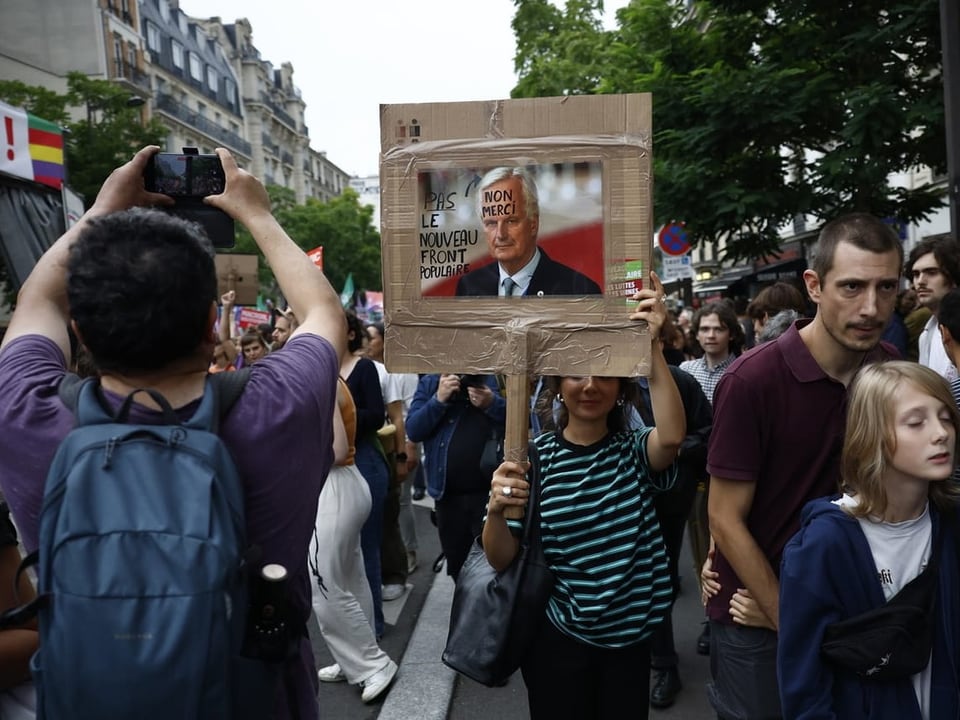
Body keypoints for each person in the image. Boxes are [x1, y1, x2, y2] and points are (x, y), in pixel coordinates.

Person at [0, 146, 347, 720]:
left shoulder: (28, 414)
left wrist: (101, 210)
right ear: (214, 325)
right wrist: (256, 213)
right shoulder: (277, 407)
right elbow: (323, 314)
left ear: (81, 331)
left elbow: (37, 301)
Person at [704, 213, 902, 720]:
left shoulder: (889, 369)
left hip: (855, 614)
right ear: (813, 285)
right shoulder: (753, 381)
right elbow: (724, 516)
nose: (871, 307)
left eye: (886, 287)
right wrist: (790, 615)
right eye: (852, 287)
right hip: (760, 618)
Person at [482, 271, 685, 720]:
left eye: (603, 374)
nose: (589, 384)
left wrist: (651, 344)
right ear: (556, 386)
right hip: (557, 639)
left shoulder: (634, 451)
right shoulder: (534, 460)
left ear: (619, 389)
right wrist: (496, 511)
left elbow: (670, 440)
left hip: (630, 641)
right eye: (575, 372)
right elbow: (501, 558)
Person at [778, 362, 960, 720]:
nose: (941, 433)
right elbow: (804, 684)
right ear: (872, 435)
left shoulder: (949, 524)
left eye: (946, 417)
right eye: (915, 422)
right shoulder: (823, 545)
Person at [310, 378, 398, 704]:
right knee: (347, 576)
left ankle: (371, 664)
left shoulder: (321, 381)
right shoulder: (330, 376)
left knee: (323, 583)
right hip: (345, 483)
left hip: (335, 485)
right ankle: (355, 660)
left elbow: (333, 449)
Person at [406, 373, 506, 581]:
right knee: (458, 565)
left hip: (489, 497)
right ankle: (464, 610)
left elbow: (522, 420)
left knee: (494, 566)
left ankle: (491, 611)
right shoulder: (431, 383)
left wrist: (491, 403)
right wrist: (438, 399)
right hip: (447, 497)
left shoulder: (492, 379)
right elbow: (414, 430)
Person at [454, 167, 601, 297]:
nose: (500, 234)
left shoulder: (579, 291)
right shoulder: (469, 287)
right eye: (491, 223)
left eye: (511, 221)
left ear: (533, 224)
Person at [907, 235, 960, 379]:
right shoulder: (926, 335)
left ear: (953, 277)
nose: (920, 281)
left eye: (931, 272)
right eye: (916, 274)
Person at [679, 301, 744, 406]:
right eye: (705, 329)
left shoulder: (743, 371)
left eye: (719, 329)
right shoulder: (686, 370)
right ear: (696, 334)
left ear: (731, 334)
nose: (711, 335)